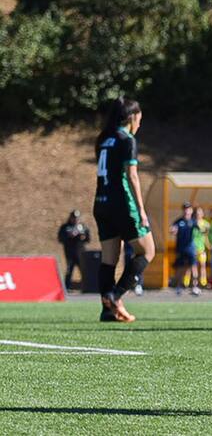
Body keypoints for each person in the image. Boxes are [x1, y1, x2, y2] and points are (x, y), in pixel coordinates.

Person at [92, 96, 155, 322]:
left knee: (109, 258)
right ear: (131, 118)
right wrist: (141, 210)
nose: (139, 124)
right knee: (147, 251)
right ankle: (115, 296)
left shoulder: (103, 138)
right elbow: (132, 176)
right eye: (139, 119)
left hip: (101, 203)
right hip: (122, 204)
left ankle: (107, 310)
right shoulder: (126, 139)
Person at [171, 202, 200, 296]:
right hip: (180, 248)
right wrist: (173, 231)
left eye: (188, 209)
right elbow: (173, 229)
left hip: (190, 248)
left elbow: (200, 230)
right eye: (185, 209)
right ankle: (178, 287)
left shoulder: (193, 221)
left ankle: (195, 287)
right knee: (180, 268)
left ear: (191, 210)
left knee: (193, 267)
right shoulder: (179, 221)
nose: (186, 211)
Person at [58, 209, 91, 291]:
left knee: (84, 270)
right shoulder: (65, 227)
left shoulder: (82, 227)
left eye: (76, 218)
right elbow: (60, 238)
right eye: (73, 218)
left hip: (81, 252)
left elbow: (88, 239)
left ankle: (87, 287)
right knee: (69, 270)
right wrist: (69, 236)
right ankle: (66, 288)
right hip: (70, 253)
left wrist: (82, 236)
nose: (75, 220)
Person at [191, 205, 211, 288]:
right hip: (193, 248)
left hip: (201, 248)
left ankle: (203, 282)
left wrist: (208, 245)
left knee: (203, 265)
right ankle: (194, 282)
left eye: (200, 212)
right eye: (197, 212)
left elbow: (206, 236)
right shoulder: (192, 223)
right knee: (194, 265)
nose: (198, 214)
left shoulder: (206, 224)